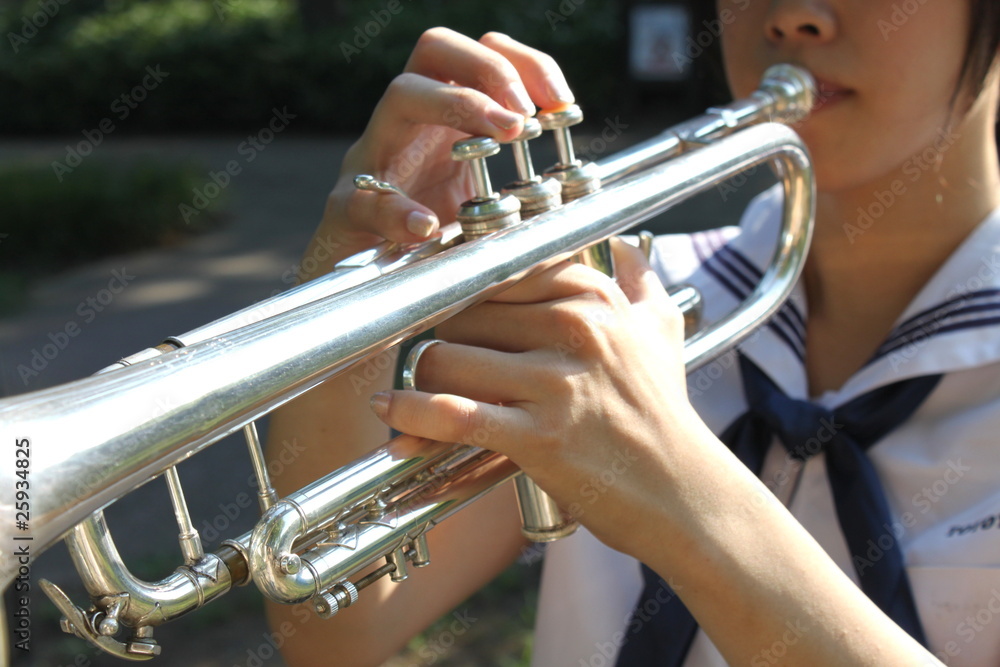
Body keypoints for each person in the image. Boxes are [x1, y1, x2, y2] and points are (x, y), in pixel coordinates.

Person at [265, 1, 1000, 664]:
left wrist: (678, 489)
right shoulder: (623, 304)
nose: (791, 17)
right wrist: (353, 290)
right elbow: (339, 633)